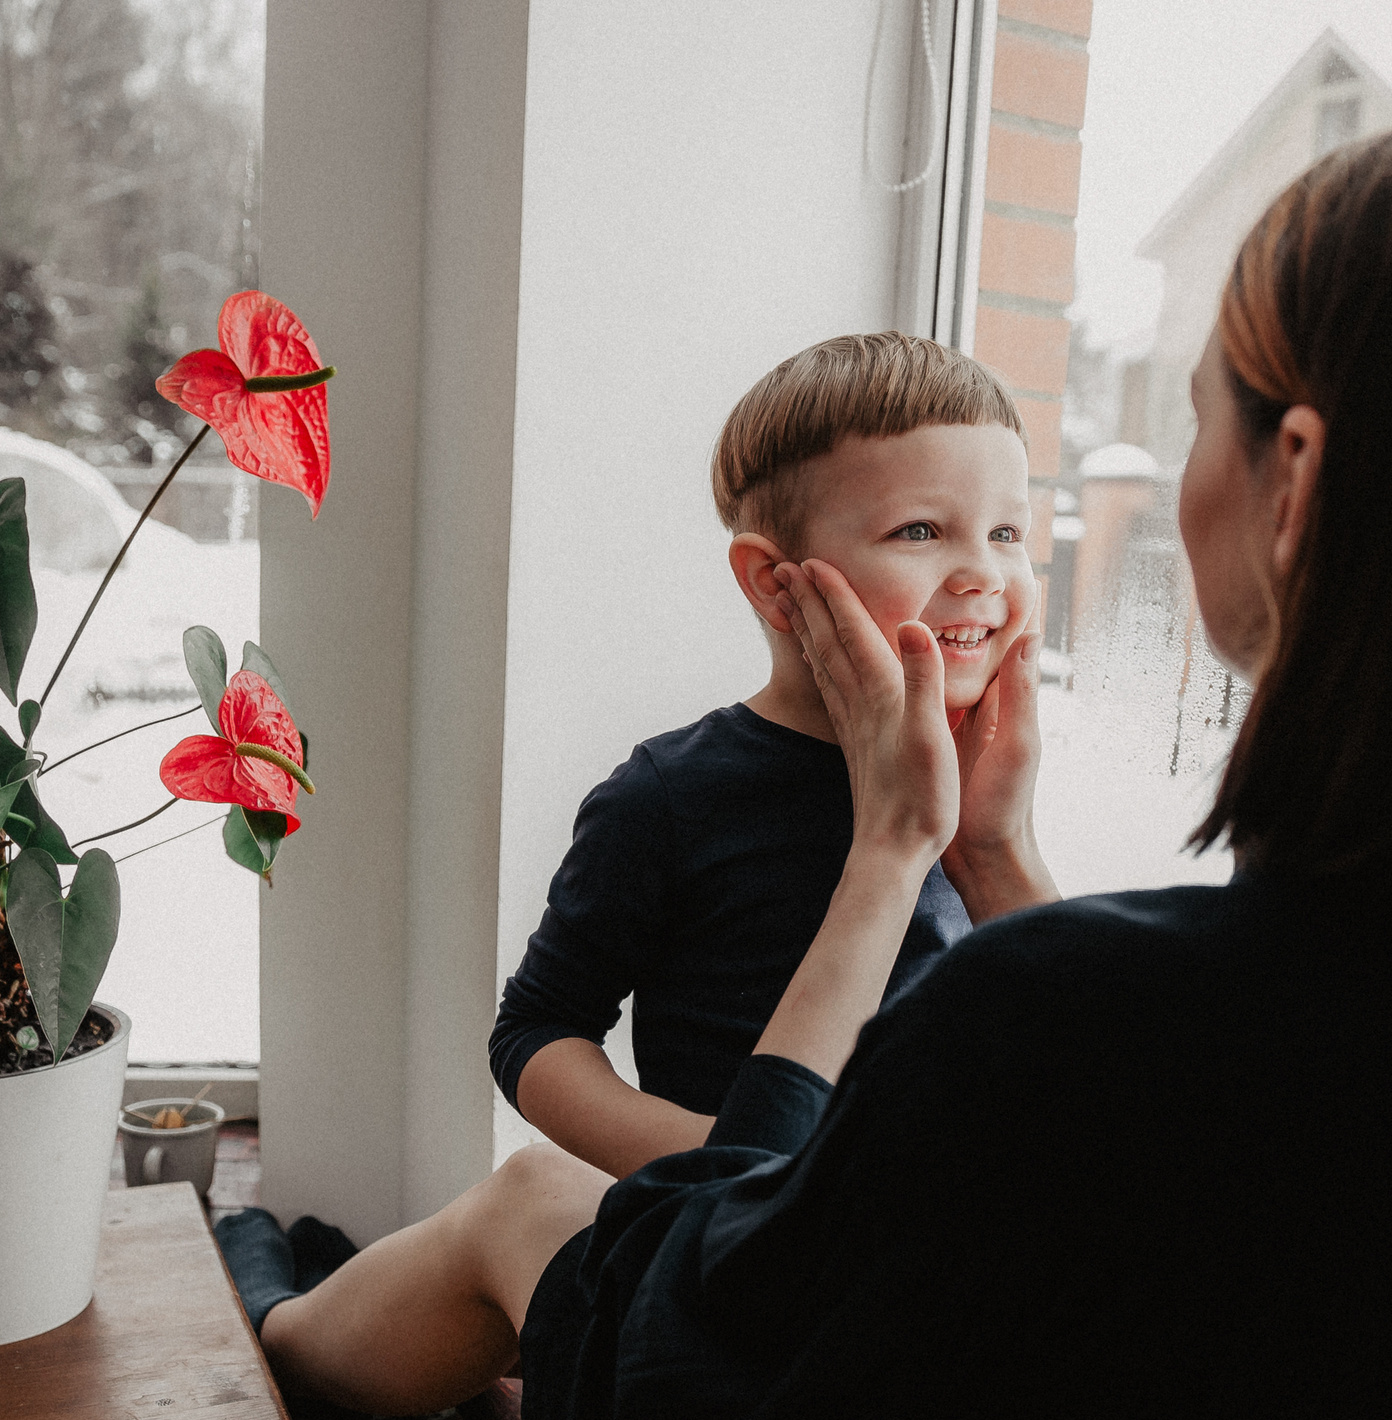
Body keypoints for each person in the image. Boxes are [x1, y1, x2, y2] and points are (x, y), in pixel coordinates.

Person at [511, 112, 1392, 1420]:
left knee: (522, 1233)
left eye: (1192, 414)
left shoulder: (1065, 1011)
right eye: (923, 528)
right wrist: (990, 861)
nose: (993, 565)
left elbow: (720, 1360)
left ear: (1294, 483)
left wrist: (907, 862)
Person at [218, 332, 1061, 1348]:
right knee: (522, 1201)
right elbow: (534, 1031)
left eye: (1008, 533)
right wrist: (719, 1157)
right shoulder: (674, 794)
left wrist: (996, 841)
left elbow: (1076, 1060)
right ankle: (283, 1320)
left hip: (909, 1277)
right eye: (923, 530)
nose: (983, 574)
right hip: (718, 1254)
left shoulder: (980, 782)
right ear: (774, 581)